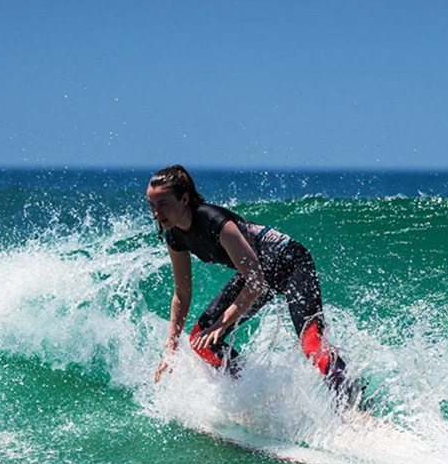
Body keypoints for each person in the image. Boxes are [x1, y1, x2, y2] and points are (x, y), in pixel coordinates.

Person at [148, 165, 362, 406]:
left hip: (290, 262)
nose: (156, 213)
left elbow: (256, 282)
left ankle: (354, 402)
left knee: (310, 341)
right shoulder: (174, 236)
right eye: (152, 206)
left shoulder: (214, 221)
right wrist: (170, 349)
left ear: (184, 198)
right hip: (258, 271)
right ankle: (253, 394)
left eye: (163, 204)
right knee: (201, 340)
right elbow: (182, 294)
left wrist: (223, 322)